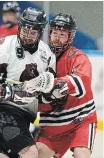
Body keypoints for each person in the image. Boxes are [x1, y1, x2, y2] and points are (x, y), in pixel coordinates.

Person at [0, 7, 56, 158]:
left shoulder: (47, 54)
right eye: (25, 31)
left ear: (40, 33)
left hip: (26, 114)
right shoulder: (5, 45)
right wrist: (2, 89)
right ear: (19, 27)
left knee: (10, 155)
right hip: (3, 109)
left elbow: (48, 88)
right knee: (30, 153)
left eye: (32, 32)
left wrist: (53, 91)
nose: (27, 36)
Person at [35, 13, 97, 158]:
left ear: (70, 37)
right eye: (54, 33)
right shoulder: (40, 59)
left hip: (81, 118)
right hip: (53, 122)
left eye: (62, 34)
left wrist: (54, 84)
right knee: (37, 153)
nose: (57, 37)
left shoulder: (78, 57)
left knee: (81, 154)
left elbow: (82, 83)